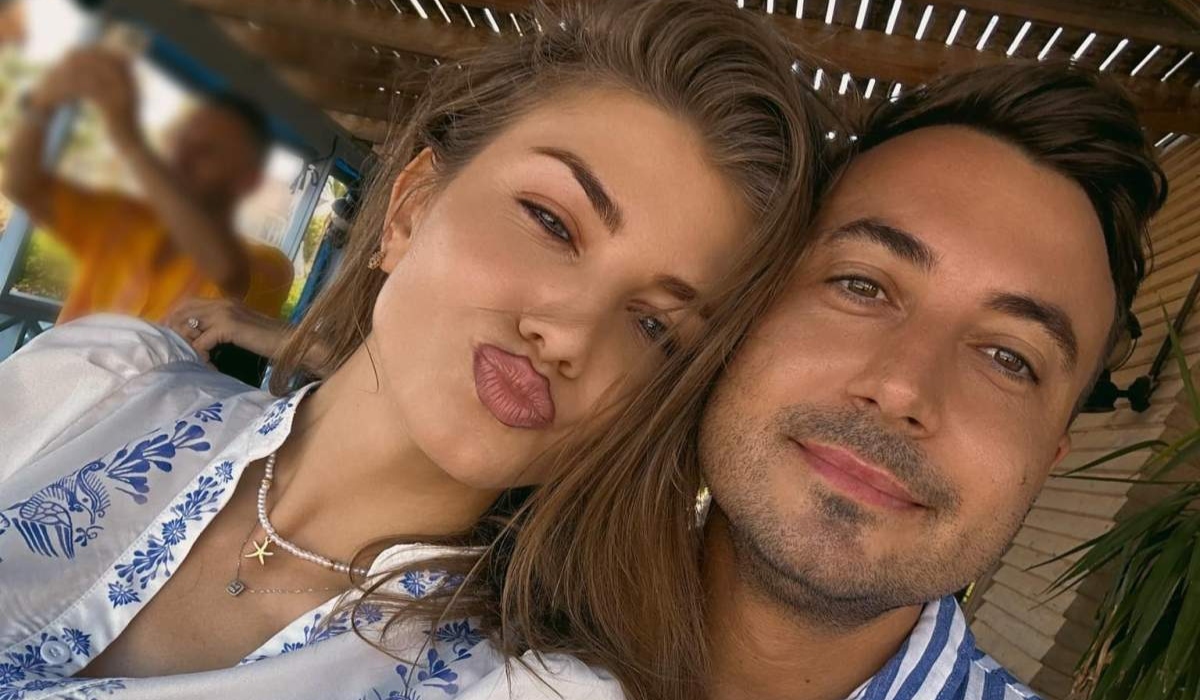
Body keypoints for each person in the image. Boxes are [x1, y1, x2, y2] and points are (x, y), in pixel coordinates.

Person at [0, 2, 839, 699]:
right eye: (552, 222)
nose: (571, 333)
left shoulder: (524, 688)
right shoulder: (96, 384)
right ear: (410, 208)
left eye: (655, 326)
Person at [540, 63, 1162, 699]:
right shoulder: (488, 624)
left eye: (1008, 357)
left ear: (1051, 455)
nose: (902, 389)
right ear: (749, 311)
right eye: (862, 286)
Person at [1, 47, 293, 324]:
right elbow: (22, 186)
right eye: (181, 141)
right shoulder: (123, 219)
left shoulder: (267, 264)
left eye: (206, 151)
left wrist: (129, 139)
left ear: (248, 179)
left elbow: (224, 269)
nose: (182, 157)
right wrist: (42, 105)